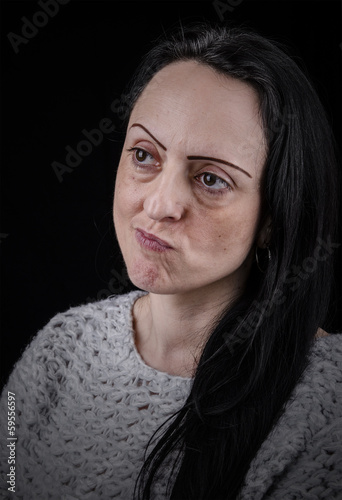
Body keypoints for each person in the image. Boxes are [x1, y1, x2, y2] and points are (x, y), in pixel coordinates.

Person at [0, 21, 341, 500]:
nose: (160, 205)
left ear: (273, 217)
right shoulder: (61, 350)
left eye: (211, 180)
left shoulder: (328, 402)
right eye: (144, 154)